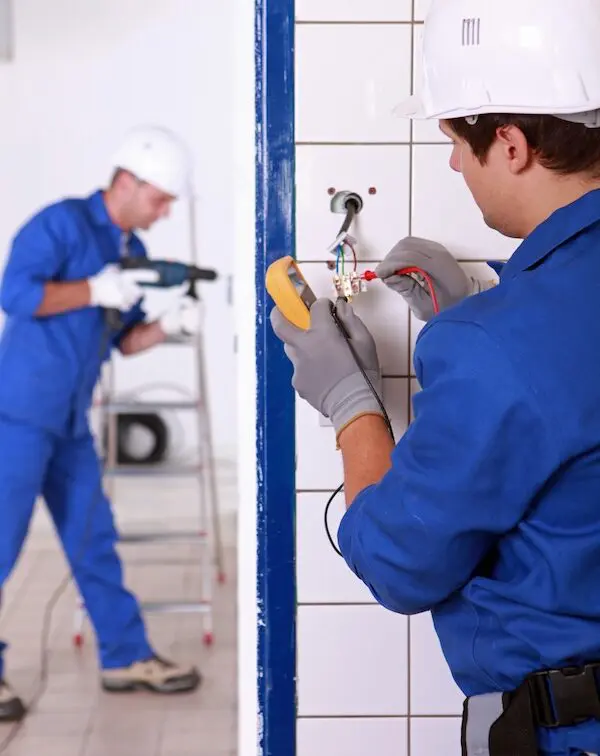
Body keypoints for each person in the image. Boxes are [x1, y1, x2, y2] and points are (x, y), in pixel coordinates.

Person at [271, 0, 600, 753]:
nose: (453, 163)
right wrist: (485, 313)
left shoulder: (498, 348)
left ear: (510, 144)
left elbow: (399, 563)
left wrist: (352, 404)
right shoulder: (505, 334)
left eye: (457, 141)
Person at [0, 125, 203, 722]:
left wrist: (169, 326)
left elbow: (120, 340)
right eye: (160, 199)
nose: (164, 213)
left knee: (94, 539)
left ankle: (125, 655)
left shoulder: (131, 253)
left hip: (68, 421)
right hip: (18, 413)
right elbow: (16, 294)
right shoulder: (61, 223)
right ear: (127, 180)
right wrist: (94, 287)